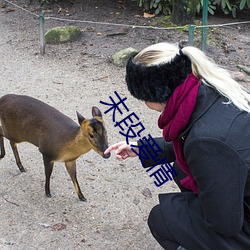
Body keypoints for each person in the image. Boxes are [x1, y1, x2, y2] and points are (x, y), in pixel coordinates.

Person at [104, 42, 250, 250]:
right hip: (240, 187)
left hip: (241, 222)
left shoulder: (207, 142)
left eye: (143, 97)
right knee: (181, 169)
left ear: (155, 93)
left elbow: (225, 224)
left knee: (162, 218)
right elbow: (189, 139)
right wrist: (141, 148)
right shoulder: (208, 88)